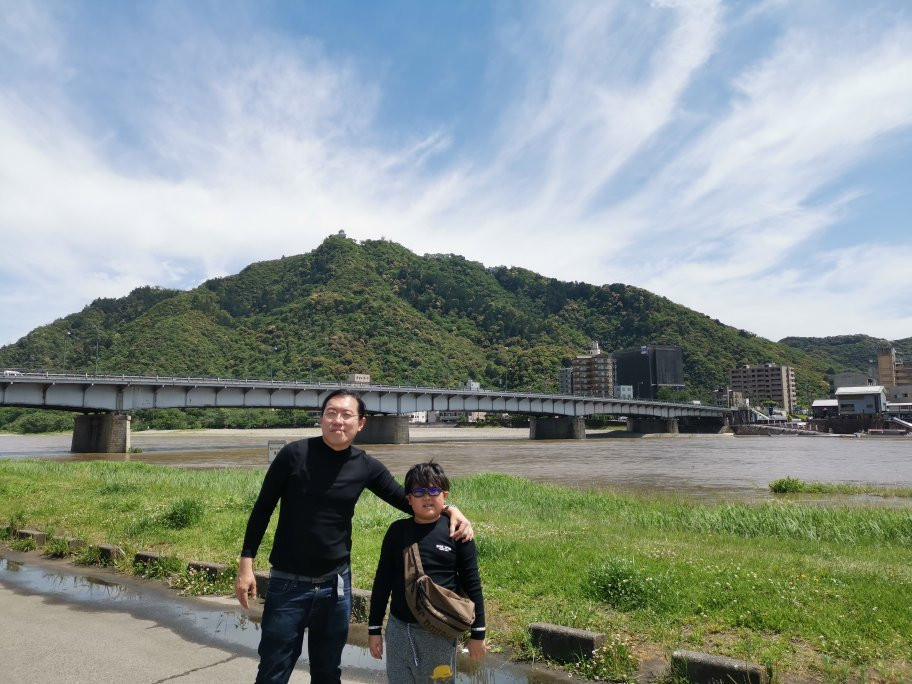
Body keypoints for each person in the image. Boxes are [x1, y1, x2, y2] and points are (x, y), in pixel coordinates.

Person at [235, 390, 474, 684]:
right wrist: (246, 565)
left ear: (360, 424)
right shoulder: (293, 455)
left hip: (335, 586)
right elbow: (262, 508)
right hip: (288, 583)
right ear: (321, 418)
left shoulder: (365, 465)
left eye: (346, 415)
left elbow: (407, 500)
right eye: (331, 413)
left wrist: (450, 509)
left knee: (327, 673)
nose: (338, 420)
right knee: (273, 671)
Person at [368, 461, 486, 682]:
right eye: (419, 492)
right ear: (408, 499)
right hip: (399, 629)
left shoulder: (458, 533)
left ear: (445, 495)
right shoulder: (397, 532)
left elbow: (472, 583)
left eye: (433, 491)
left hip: (440, 632)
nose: (427, 497)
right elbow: (382, 581)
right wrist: (374, 629)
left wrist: (478, 633)